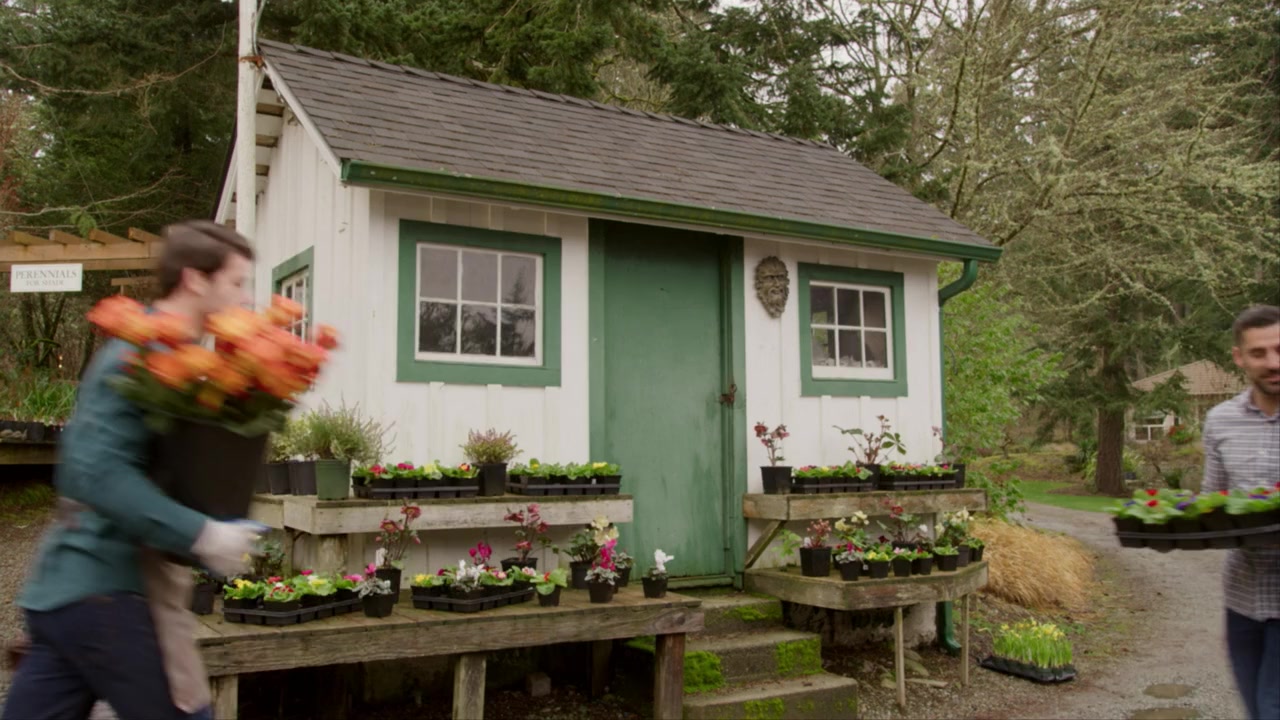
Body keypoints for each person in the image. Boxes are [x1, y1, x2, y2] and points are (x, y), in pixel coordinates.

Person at [2, 221, 266, 720]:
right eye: (236, 282)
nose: (246, 297)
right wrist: (201, 533)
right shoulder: (137, 356)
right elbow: (94, 473)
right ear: (195, 279)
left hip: (68, 595)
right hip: (110, 595)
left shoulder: (175, 358)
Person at [1202, 304, 1280, 720]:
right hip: (1243, 599)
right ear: (1239, 357)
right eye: (1259, 353)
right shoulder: (1221, 421)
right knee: (1255, 708)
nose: (1273, 363)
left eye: (1279, 350)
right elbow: (1211, 503)